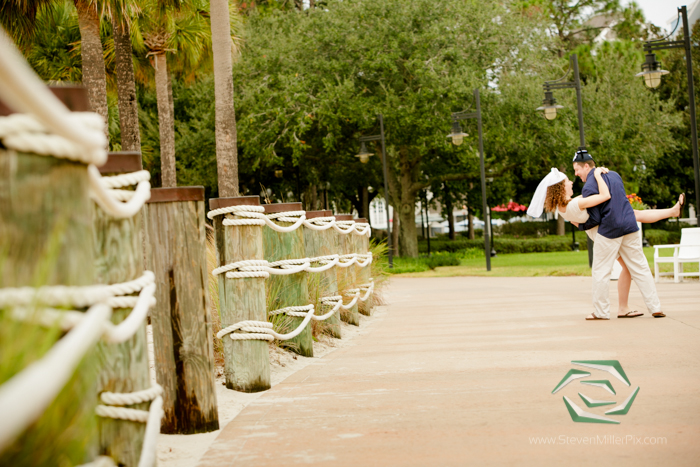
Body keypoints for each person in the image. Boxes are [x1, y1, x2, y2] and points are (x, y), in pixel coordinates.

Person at [528, 166, 683, 318]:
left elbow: (582, 225)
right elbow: (605, 195)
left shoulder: (562, 209)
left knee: (627, 265)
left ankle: (622, 308)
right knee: (609, 269)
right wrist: (597, 174)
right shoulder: (575, 203)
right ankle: (635, 308)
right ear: (561, 187)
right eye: (568, 181)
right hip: (607, 234)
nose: (571, 182)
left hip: (604, 234)